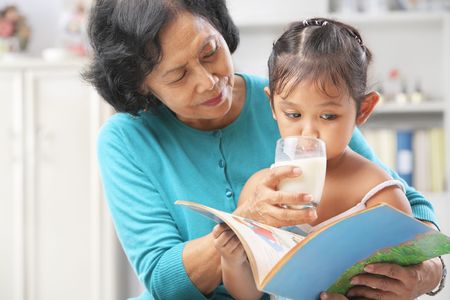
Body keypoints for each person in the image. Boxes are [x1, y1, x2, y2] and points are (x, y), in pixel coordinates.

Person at [83, 1, 444, 299]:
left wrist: (428, 273)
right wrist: (244, 226)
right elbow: (163, 281)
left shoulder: (297, 100)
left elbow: (406, 204)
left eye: (210, 51)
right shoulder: (125, 140)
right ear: (141, 87)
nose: (209, 81)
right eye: (178, 76)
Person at [212, 17, 425, 300]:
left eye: (328, 116)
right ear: (272, 106)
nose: (308, 132)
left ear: (363, 110)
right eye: (293, 114)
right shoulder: (261, 192)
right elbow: (248, 294)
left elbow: (398, 289)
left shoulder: (381, 197)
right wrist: (231, 259)